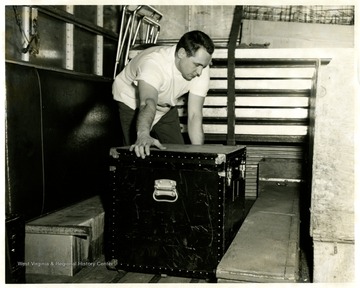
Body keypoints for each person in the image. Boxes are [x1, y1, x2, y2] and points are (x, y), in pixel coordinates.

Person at [112, 30, 214, 158]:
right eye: (196, 65)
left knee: (179, 155)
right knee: (135, 155)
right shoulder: (154, 64)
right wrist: (143, 134)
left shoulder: (201, 67)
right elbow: (147, 102)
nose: (199, 72)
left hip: (165, 105)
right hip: (132, 102)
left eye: (203, 66)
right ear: (181, 53)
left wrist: (200, 156)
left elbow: (194, 115)